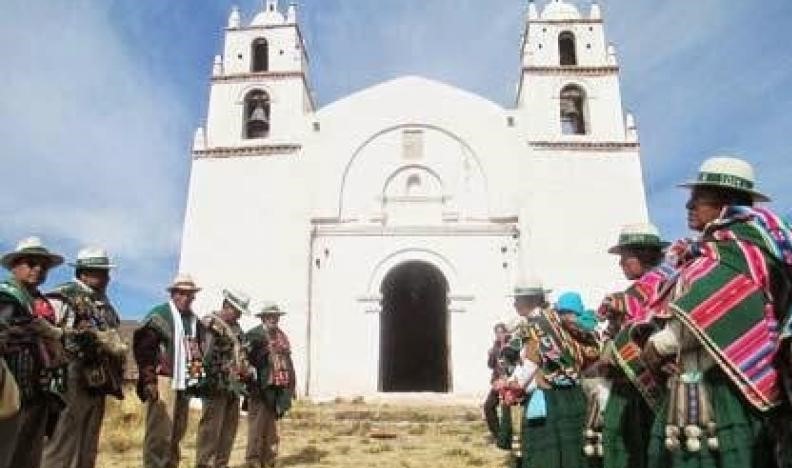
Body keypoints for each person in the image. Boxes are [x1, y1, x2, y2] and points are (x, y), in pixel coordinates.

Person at [642, 157, 792, 468]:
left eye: (698, 198)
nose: (689, 205)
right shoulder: (706, 251)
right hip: (691, 381)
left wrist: (664, 342)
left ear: (727, 202)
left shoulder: (740, 247)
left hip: (728, 387)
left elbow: (720, 305)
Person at [42, 246, 127, 468]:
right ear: (83, 273)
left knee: (88, 440)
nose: (107, 278)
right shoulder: (63, 296)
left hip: (98, 379)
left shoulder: (104, 305)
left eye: (106, 272)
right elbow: (47, 333)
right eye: (100, 272)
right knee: (63, 438)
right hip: (71, 375)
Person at [596, 224, 669, 468]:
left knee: (635, 446)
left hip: (642, 386)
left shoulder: (651, 288)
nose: (621, 264)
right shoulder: (661, 283)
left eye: (625, 257)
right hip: (642, 383)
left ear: (642, 255)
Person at [0, 237, 68, 468]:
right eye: (31, 263)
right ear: (15, 266)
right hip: (12, 391)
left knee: (29, 454)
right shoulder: (7, 296)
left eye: (43, 266)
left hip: (37, 389)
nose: (38, 269)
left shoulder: (38, 301)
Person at [133, 273, 206, 468]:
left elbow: (197, 350)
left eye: (190, 294)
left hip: (185, 381)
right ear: (173, 294)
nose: (186, 298)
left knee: (177, 431)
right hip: (164, 379)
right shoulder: (160, 315)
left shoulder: (194, 321)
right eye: (181, 293)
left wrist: (196, 380)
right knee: (159, 432)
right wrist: (149, 379)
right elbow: (144, 349)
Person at [195, 289, 253, 468]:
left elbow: (242, 354)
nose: (239, 316)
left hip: (233, 387)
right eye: (237, 311)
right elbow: (202, 355)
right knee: (211, 431)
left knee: (228, 432)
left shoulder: (237, 329)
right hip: (215, 386)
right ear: (226, 306)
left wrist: (247, 370)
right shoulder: (210, 324)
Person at [245, 302, 296, 468]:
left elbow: (288, 362)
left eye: (276, 317)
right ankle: (253, 461)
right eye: (270, 316)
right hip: (259, 388)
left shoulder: (282, 337)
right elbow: (246, 360)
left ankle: (269, 460)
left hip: (277, 389)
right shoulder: (254, 335)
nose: (274, 319)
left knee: (272, 429)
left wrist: (291, 386)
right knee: (257, 428)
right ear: (264, 318)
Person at [484, 322, 511, 441]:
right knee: (488, 406)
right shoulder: (495, 347)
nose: (499, 335)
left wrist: (507, 379)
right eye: (497, 333)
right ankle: (497, 434)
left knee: (507, 410)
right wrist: (490, 355)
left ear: (506, 333)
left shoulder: (512, 346)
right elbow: (491, 366)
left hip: (510, 383)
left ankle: (507, 436)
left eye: (501, 332)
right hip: (497, 383)